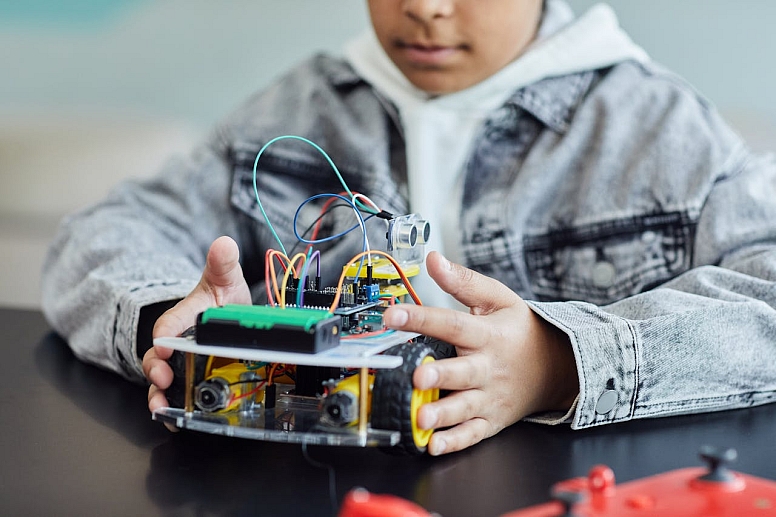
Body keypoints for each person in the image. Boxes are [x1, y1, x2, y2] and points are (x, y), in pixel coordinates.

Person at [42, 0, 776, 457]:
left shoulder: (655, 129)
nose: (424, 7)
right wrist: (167, 319)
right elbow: (100, 232)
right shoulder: (299, 110)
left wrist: (558, 360)